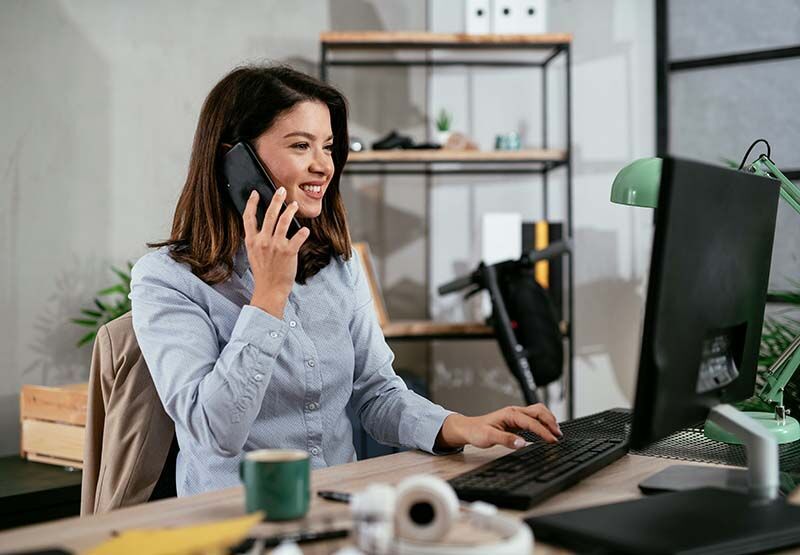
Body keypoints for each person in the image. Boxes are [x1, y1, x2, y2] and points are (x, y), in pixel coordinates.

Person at [130, 64, 563, 497]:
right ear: (235, 160)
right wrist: (269, 296)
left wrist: (462, 426)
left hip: (341, 505)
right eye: (301, 145)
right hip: (232, 518)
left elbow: (377, 394)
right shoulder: (167, 280)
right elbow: (214, 431)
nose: (324, 166)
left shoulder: (337, 265)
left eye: (329, 147)